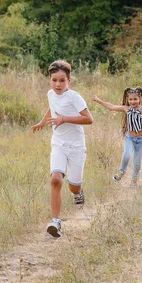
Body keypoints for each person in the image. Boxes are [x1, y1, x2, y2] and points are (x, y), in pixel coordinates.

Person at [31, 60, 93, 238]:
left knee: (73, 186)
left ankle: (78, 191)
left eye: (62, 80)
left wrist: (64, 119)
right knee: (55, 180)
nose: (58, 84)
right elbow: (53, 107)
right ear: (49, 80)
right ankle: (55, 221)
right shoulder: (50, 93)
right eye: (54, 80)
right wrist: (43, 122)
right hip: (58, 143)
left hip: (76, 146)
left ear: (69, 81)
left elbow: (89, 119)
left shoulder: (74, 97)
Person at [92, 87, 142, 186]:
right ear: (127, 99)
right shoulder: (126, 108)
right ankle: (121, 172)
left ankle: (133, 181)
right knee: (127, 155)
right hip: (129, 138)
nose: (133, 101)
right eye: (130, 99)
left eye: (135, 99)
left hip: (140, 140)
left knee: (137, 162)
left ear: (139, 98)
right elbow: (111, 107)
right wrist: (98, 100)